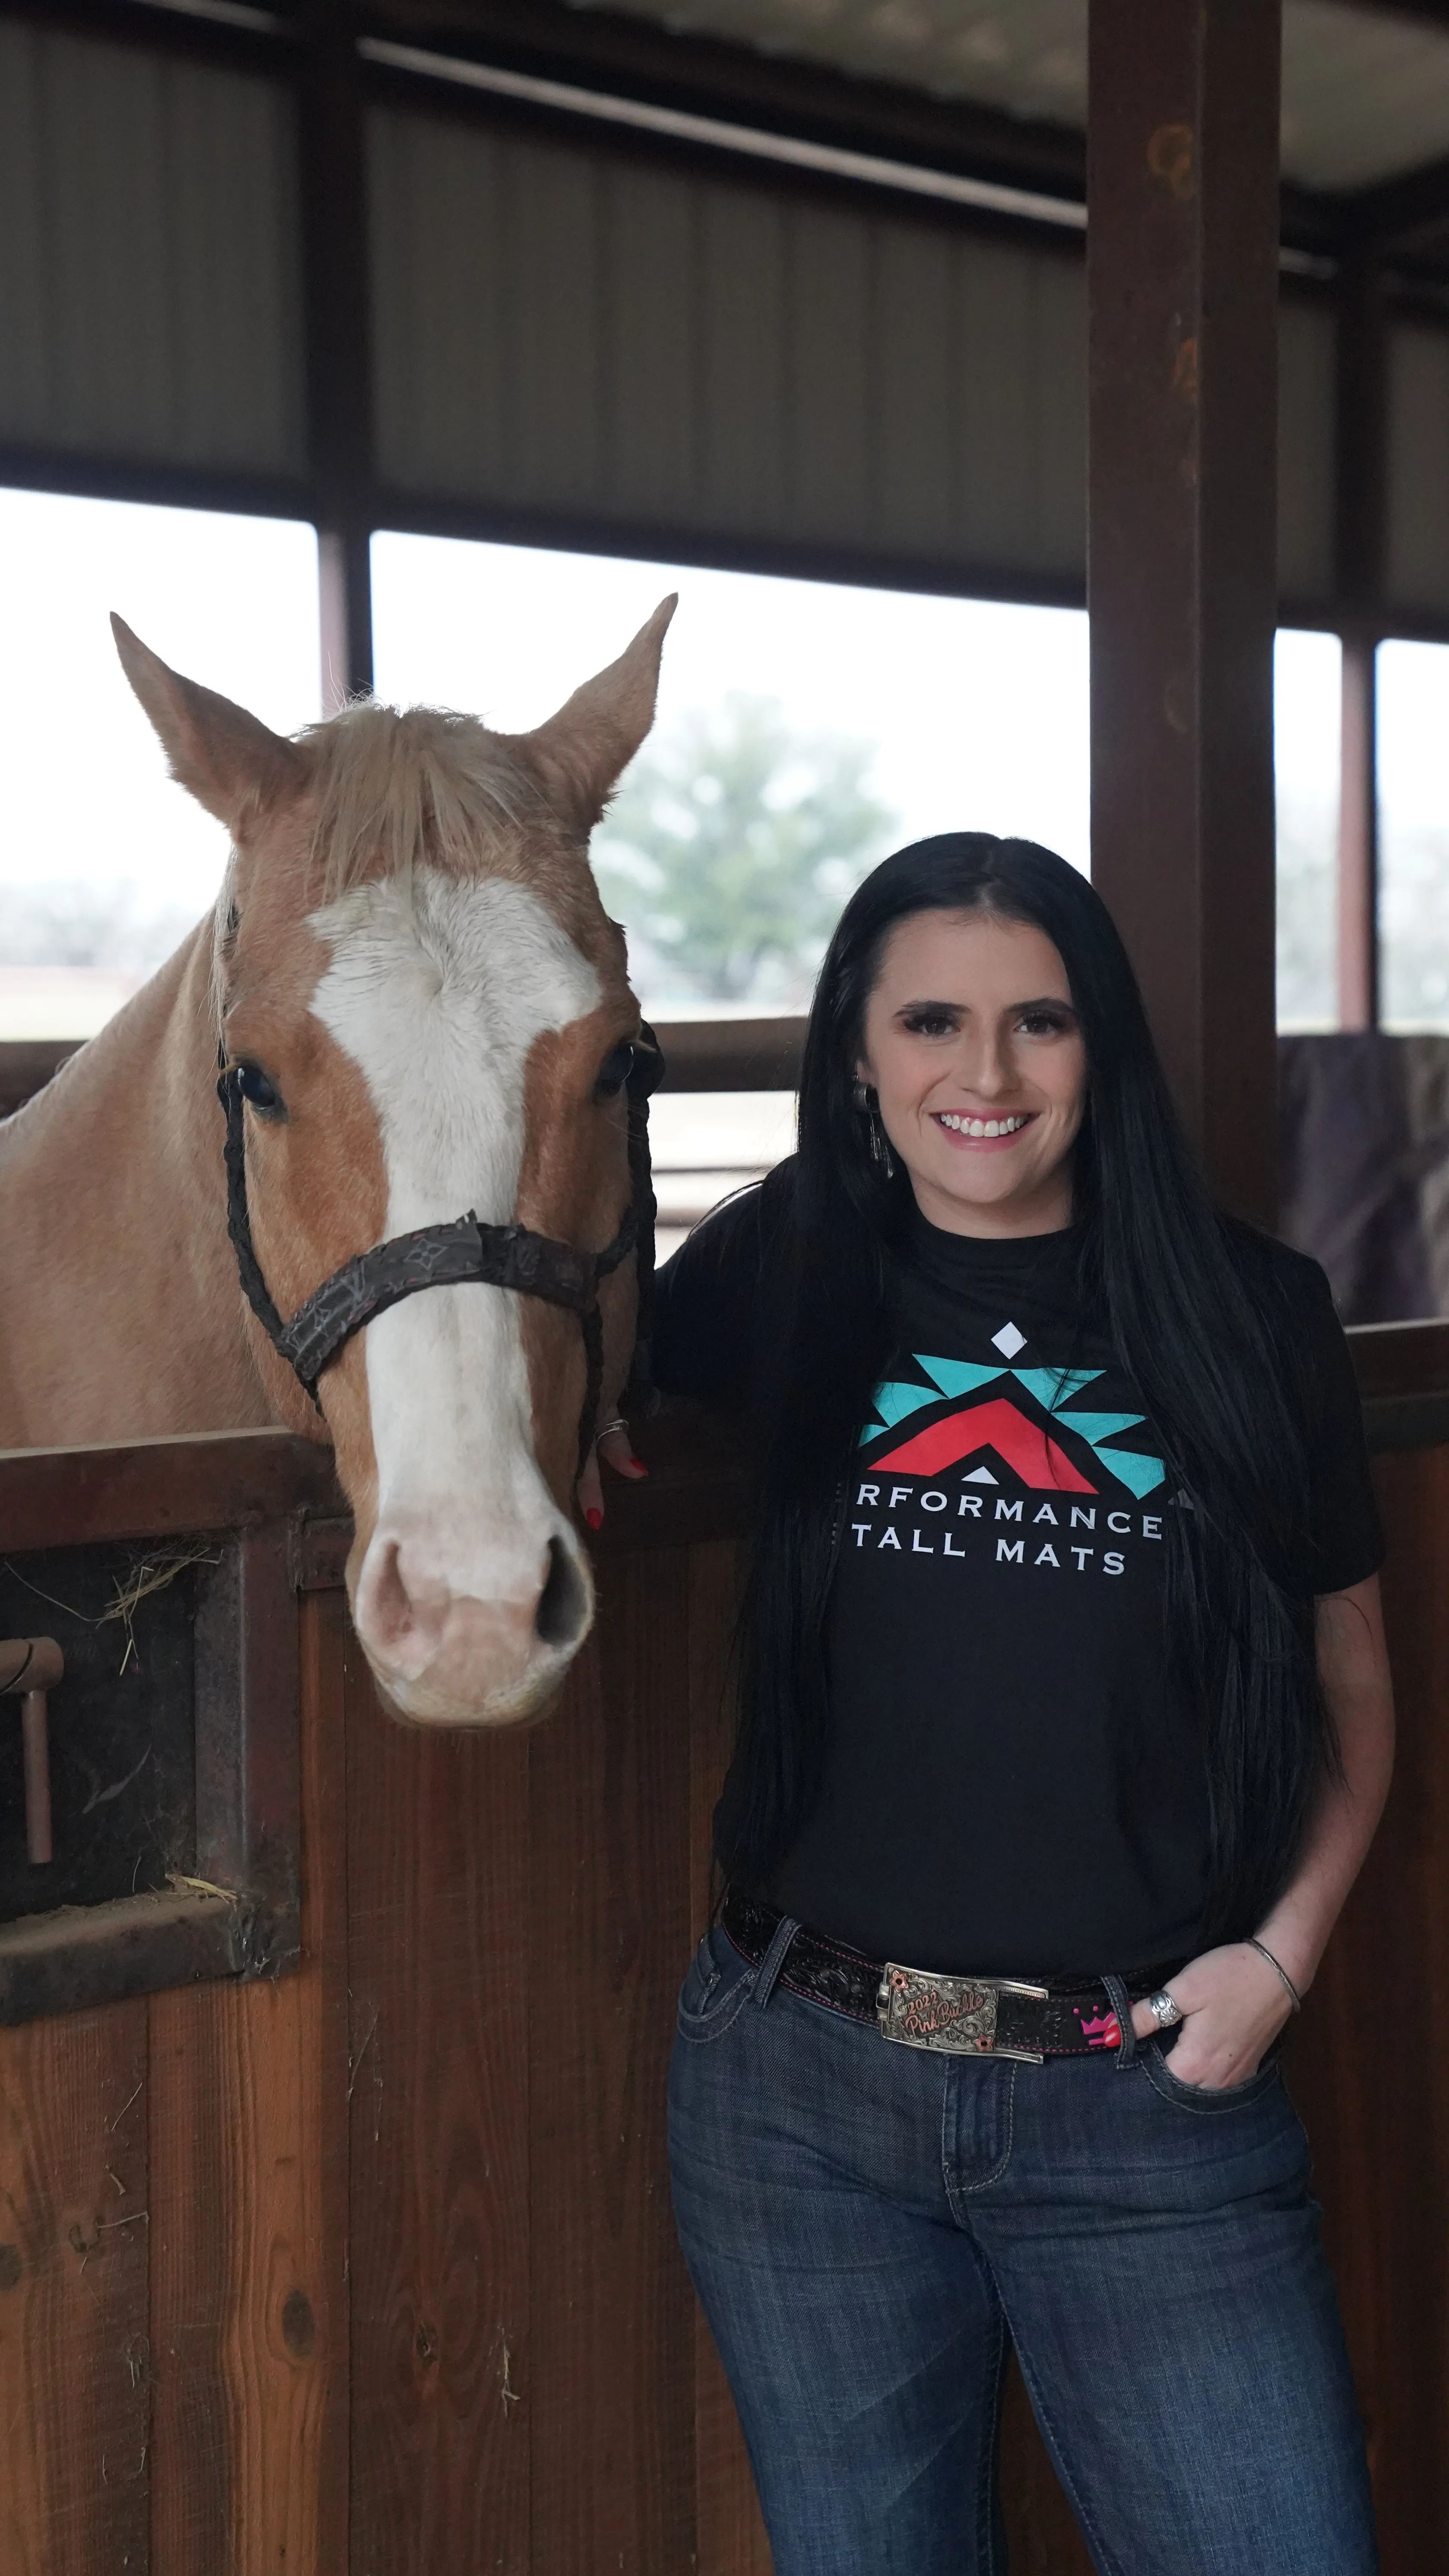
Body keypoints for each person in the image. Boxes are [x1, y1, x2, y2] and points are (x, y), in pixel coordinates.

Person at [624, 835, 1392, 2575]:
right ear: (856, 1056)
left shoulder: (1249, 1316)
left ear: (1097, 1050)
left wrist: (1279, 1963)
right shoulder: (773, 1277)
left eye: (1037, 1024)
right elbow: (541, 1366)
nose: (983, 1077)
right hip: (795, 2104)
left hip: (1150, 2107)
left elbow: (1352, 1676)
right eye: (930, 1023)